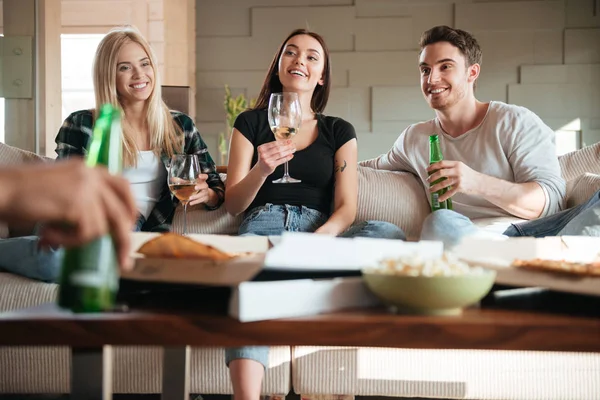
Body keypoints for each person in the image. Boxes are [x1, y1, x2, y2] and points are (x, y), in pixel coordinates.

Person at [224, 28, 404, 400]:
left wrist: (319, 241)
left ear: (321, 75)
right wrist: (261, 170)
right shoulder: (250, 123)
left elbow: (346, 208)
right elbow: (233, 204)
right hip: (265, 226)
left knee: (387, 233)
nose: (299, 61)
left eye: (311, 57)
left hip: (319, 232)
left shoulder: (339, 130)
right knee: (248, 292)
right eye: (291, 53)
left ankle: (295, 278)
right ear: (279, 66)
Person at [0, 25, 224, 282]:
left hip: (143, 229)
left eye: (144, 63)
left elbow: (216, 187)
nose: (139, 75)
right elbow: (69, 194)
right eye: (124, 67)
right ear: (109, 75)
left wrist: (208, 194)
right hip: (89, 224)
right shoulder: (82, 123)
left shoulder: (180, 125)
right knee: (57, 263)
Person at [361, 25, 600, 247]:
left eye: (445, 66)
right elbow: (367, 167)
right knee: (440, 221)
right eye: (425, 70)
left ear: (472, 72)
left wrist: (476, 182)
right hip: (467, 236)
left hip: (539, 232)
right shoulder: (415, 138)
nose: (431, 79)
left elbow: (549, 202)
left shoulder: (514, 121)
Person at [0, 159, 137, 270]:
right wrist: (16, 187)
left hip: (130, 238)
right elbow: (67, 178)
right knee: (53, 259)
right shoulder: (87, 125)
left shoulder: (158, 139)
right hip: (73, 224)